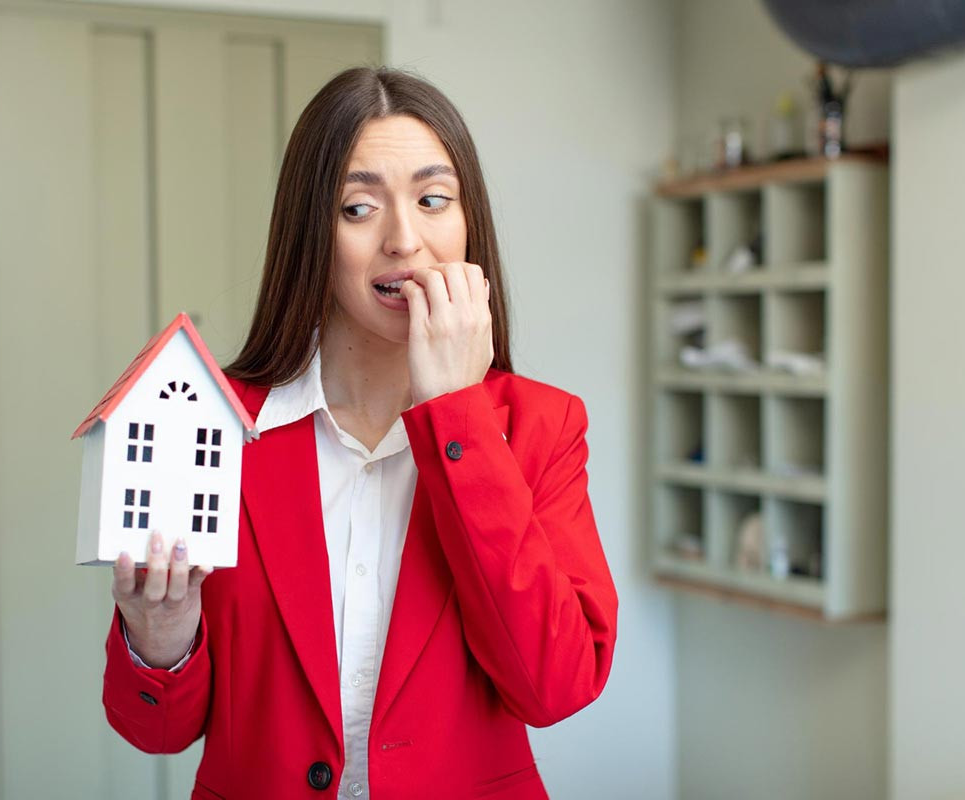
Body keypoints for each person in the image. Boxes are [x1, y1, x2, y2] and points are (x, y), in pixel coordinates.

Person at [102, 65, 617, 799]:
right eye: (357, 209)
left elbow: (557, 687)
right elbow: (156, 732)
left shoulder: (542, 427)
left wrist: (457, 419)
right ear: (311, 232)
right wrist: (160, 639)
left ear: (468, 225)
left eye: (433, 200)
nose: (404, 241)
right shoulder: (216, 425)